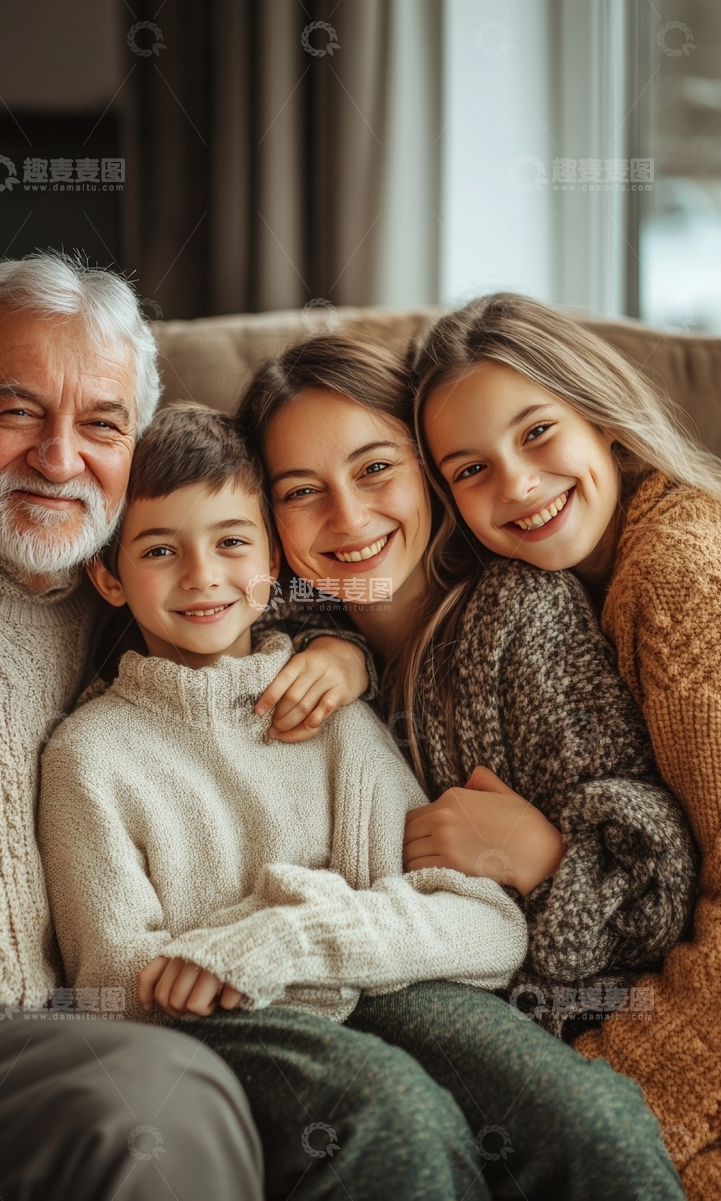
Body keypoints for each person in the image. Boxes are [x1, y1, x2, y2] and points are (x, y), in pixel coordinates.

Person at [39, 400, 686, 1201]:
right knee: (396, 1115)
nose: (202, 575)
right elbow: (115, 989)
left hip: (395, 988)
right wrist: (246, 961)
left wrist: (297, 935)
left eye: (231, 542)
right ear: (108, 575)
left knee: (597, 1115)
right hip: (233, 1027)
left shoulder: (328, 715)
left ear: (273, 563)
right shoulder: (89, 756)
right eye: (160, 549)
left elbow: (488, 924)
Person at [0, 249, 356, 1201]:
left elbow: (248, 579)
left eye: (102, 424)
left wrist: (340, 650)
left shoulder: (107, 578)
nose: (60, 456)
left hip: (55, 1031)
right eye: (17, 409)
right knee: (164, 1099)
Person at [238, 333, 696, 1039]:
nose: (349, 516)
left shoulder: (521, 616)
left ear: (431, 475)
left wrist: (539, 858)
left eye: (376, 468)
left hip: (550, 1025)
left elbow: (656, 894)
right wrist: (338, 642)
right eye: (301, 490)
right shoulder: (279, 630)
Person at [412, 291, 721, 1199]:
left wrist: (600, 1103)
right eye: (470, 469)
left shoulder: (680, 575)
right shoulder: (547, 594)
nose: (515, 484)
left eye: (538, 431)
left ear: (607, 424)